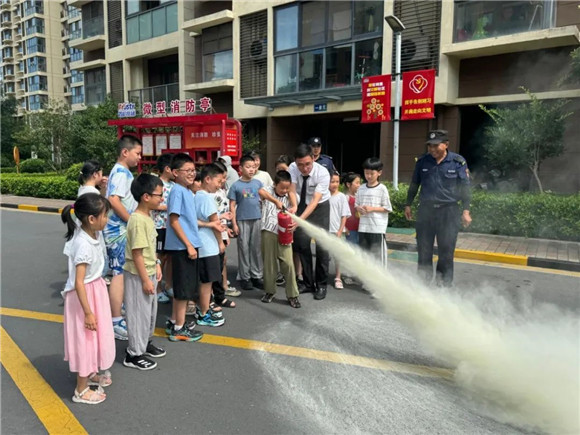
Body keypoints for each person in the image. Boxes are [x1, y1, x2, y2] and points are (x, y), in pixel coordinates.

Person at [61, 193, 115, 405]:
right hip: (84, 296)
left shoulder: (93, 234)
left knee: (95, 336)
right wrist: (88, 312)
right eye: (105, 215)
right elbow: (78, 282)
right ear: (91, 219)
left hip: (95, 290)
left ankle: (91, 372)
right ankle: (81, 390)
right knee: (86, 339)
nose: (107, 219)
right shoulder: (82, 243)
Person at [404, 130, 472, 287]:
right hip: (426, 212)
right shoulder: (423, 161)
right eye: (429, 146)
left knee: (446, 252)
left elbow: (465, 188)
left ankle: (443, 286)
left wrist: (466, 211)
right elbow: (415, 184)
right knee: (424, 250)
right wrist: (408, 204)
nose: (432, 149)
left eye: (435, 146)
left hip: (448, 212)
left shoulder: (457, 162)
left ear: (446, 144)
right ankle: (423, 284)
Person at [122, 174, 166, 370]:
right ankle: (133, 353)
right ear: (146, 196)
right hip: (138, 274)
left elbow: (150, 247)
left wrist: (156, 263)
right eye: (159, 194)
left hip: (148, 271)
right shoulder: (138, 220)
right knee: (138, 313)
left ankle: (144, 343)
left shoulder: (147, 217)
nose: (162, 198)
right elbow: (137, 253)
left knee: (149, 312)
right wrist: (145, 280)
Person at [103, 135, 142, 341]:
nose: (139, 158)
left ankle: (120, 311)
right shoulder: (120, 173)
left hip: (121, 230)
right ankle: (116, 320)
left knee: (123, 273)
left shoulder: (122, 172)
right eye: (137, 153)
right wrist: (131, 221)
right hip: (118, 232)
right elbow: (114, 200)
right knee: (118, 274)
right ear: (125, 152)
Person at [164, 153, 204, 342]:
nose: (191, 173)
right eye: (187, 170)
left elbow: (189, 220)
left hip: (188, 245)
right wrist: (188, 245)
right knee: (183, 289)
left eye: (193, 170)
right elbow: (174, 220)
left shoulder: (187, 191)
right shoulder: (178, 191)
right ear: (175, 172)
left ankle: (174, 321)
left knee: (185, 287)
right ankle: (179, 328)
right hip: (183, 247)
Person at [228, 155, 283, 290]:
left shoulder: (257, 183)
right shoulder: (235, 186)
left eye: (253, 167)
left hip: (257, 219)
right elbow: (232, 206)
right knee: (244, 248)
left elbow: (264, 194)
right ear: (240, 168)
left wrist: (275, 201)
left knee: (256, 248)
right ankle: (245, 277)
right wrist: (234, 224)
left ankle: (257, 276)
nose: (251, 170)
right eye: (248, 167)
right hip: (242, 220)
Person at [289, 143, 331, 300]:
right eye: (300, 165)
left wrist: (299, 220)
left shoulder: (323, 173)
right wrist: (294, 206)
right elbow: (292, 190)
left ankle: (321, 285)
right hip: (301, 205)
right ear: (295, 162)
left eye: (307, 164)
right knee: (301, 245)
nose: (304, 168)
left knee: (322, 247)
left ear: (313, 158)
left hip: (320, 208)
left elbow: (314, 201)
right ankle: (307, 283)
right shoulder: (292, 168)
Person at [260, 170, 301, 308]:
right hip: (269, 231)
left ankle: (292, 295)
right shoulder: (268, 190)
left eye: (286, 188)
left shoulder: (291, 195)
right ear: (274, 184)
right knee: (269, 264)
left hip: (285, 233)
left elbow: (292, 194)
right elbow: (261, 192)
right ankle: (269, 291)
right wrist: (275, 200)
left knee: (288, 264)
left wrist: (294, 206)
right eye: (281, 187)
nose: (284, 190)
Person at [194, 163, 227, 327]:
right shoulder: (207, 198)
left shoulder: (196, 196)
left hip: (201, 244)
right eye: (218, 181)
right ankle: (204, 313)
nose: (219, 185)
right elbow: (215, 223)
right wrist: (220, 242)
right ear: (208, 179)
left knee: (204, 281)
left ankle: (203, 309)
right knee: (207, 282)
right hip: (208, 246)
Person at [355, 158, 392, 282]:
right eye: (366, 173)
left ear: (379, 173)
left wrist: (372, 209)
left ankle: (380, 283)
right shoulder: (361, 188)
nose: (369, 176)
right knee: (365, 256)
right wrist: (359, 209)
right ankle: (369, 281)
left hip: (377, 228)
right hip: (363, 227)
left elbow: (387, 208)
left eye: (372, 173)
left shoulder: (382, 189)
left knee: (378, 257)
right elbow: (356, 204)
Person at [63, 160, 109, 257]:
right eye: (101, 174)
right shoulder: (92, 192)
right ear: (95, 174)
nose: (102, 176)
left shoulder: (83, 188)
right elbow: (101, 205)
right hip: (90, 231)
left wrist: (103, 187)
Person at [211, 161, 240, 303]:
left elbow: (221, 213)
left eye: (224, 178)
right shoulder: (208, 195)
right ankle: (216, 294)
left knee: (222, 261)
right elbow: (214, 217)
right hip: (214, 233)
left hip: (221, 230)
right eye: (221, 178)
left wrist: (226, 229)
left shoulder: (221, 191)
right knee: (215, 264)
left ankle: (222, 287)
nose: (223, 181)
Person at [151, 153, 174, 304]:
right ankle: (157, 288)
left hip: (171, 226)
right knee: (159, 258)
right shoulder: (157, 184)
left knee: (169, 256)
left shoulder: (174, 185)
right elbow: (153, 205)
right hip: (159, 226)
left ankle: (169, 284)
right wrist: (170, 207)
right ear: (167, 168)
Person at [328, 172, 351, 289]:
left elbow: (344, 216)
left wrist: (340, 231)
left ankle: (338, 277)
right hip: (325, 231)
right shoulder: (323, 196)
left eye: (337, 181)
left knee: (338, 256)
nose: (335, 184)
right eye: (332, 181)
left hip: (336, 231)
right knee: (323, 255)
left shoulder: (341, 197)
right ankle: (321, 277)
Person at [342, 172, 362, 285]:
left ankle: (355, 274)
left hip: (360, 229)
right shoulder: (345, 198)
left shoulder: (359, 197)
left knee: (358, 252)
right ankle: (347, 274)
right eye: (357, 183)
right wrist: (344, 228)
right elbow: (342, 214)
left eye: (360, 183)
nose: (359, 185)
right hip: (350, 230)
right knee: (350, 252)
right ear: (348, 184)